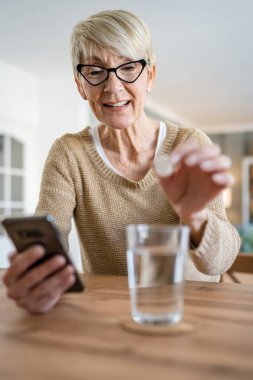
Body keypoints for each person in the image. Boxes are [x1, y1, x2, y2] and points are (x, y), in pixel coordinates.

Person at [3, 9, 240, 314]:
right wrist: (35, 278)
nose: (113, 87)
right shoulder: (69, 153)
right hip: (107, 317)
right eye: (96, 71)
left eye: (128, 68)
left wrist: (195, 216)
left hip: (190, 314)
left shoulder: (188, 143)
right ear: (80, 84)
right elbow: (49, 247)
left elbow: (220, 263)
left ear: (150, 76)